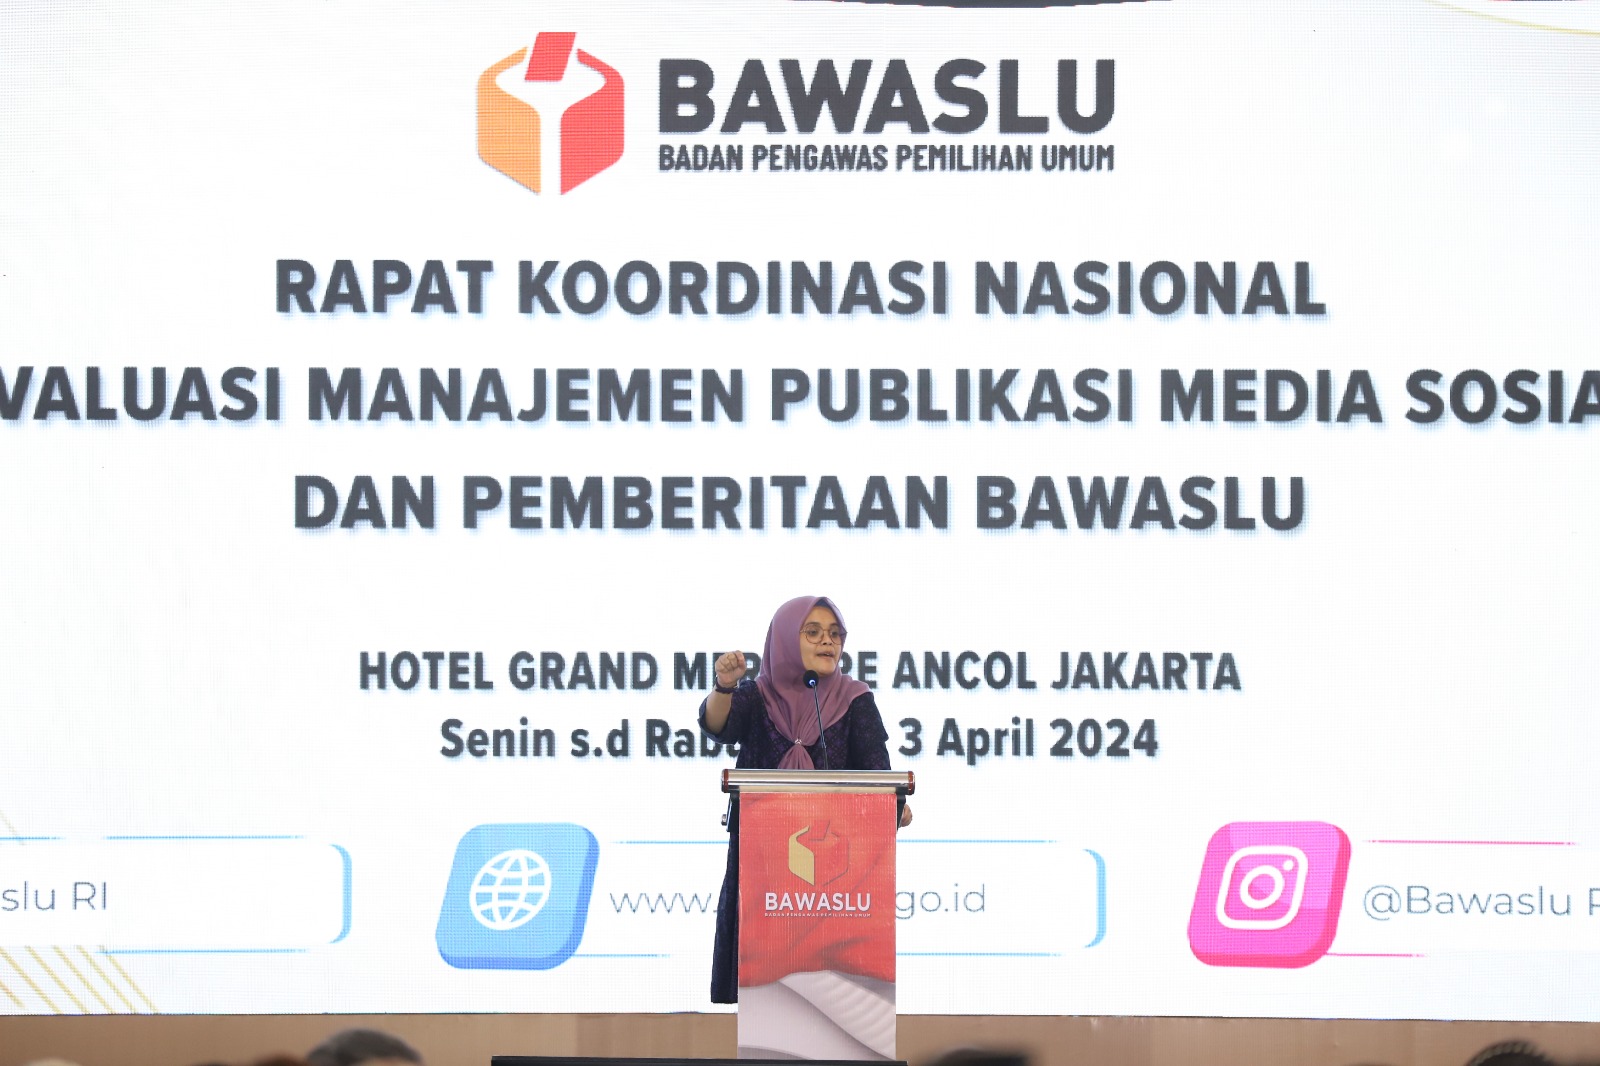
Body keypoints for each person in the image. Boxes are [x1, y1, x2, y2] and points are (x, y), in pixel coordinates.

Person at [699, 594, 910, 1004]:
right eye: (812, 632)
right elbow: (718, 727)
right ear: (784, 640)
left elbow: (877, 772)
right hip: (763, 865)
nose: (827, 641)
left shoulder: (855, 698)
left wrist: (893, 804)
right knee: (769, 983)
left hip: (839, 873)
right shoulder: (757, 695)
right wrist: (724, 687)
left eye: (834, 634)